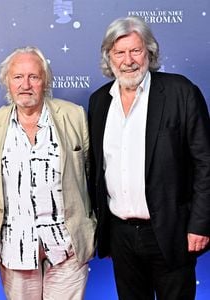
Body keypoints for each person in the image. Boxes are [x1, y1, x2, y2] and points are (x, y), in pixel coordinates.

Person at [88, 16, 210, 300]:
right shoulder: (99, 102)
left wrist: (200, 225)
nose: (128, 60)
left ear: (150, 52)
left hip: (171, 231)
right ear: (109, 57)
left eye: (136, 50)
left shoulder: (180, 92)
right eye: (119, 52)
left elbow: (205, 163)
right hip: (121, 235)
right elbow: (96, 168)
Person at [0, 46, 96, 300]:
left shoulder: (74, 116)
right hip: (15, 249)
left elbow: (92, 175)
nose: (26, 85)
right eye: (18, 77)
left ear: (45, 81)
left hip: (67, 248)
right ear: (7, 83)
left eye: (33, 77)